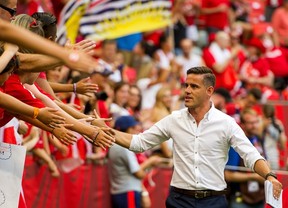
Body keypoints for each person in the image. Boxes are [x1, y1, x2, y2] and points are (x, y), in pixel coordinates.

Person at [109, 66, 282, 208]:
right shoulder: (174, 119)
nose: (187, 91)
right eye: (186, 85)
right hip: (179, 200)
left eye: (194, 86)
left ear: (209, 91)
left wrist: (270, 176)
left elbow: (251, 155)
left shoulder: (226, 123)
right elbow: (139, 143)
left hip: (214, 201)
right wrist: (105, 130)